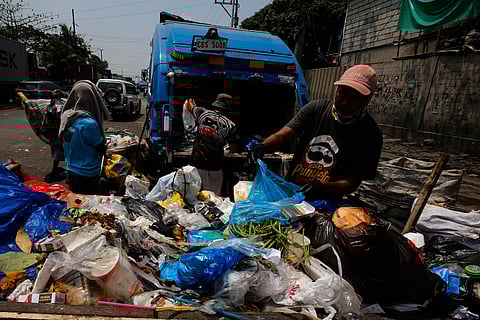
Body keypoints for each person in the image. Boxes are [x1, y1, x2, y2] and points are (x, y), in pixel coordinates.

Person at [253, 64, 383, 200]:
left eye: (354, 98)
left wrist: (323, 188)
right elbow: (283, 136)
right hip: (292, 191)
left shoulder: (371, 134)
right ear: (336, 90)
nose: (345, 102)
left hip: (327, 202)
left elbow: (352, 183)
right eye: (343, 93)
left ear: (367, 100)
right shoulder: (316, 109)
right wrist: (263, 147)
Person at [58, 80, 112, 194]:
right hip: (88, 173)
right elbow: (100, 148)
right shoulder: (89, 123)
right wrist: (106, 146)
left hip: (71, 169)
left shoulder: (66, 117)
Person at [186, 93, 242, 195]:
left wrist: (190, 96)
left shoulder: (201, 113)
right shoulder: (231, 125)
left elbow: (190, 106)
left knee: (192, 196)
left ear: (215, 104)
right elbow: (235, 149)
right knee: (212, 199)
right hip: (214, 168)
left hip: (196, 164)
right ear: (228, 108)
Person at [44, 89, 67, 183]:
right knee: (58, 153)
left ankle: (55, 170)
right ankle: (54, 173)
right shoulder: (57, 107)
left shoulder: (50, 106)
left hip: (53, 132)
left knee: (56, 152)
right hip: (57, 132)